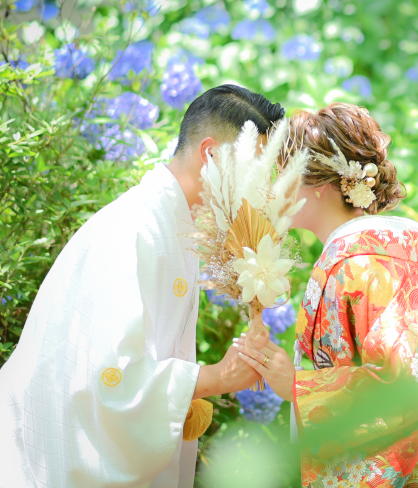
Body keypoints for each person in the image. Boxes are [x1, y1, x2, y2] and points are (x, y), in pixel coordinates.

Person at [0, 85, 283, 488]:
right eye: (255, 170)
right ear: (212, 155)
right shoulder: (133, 229)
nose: (260, 190)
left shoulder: (170, 223)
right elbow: (113, 378)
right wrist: (217, 377)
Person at [235, 102, 418, 487]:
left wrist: (296, 386)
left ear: (321, 184)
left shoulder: (354, 267)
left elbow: (402, 385)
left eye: (282, 173)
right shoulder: (381, 262)